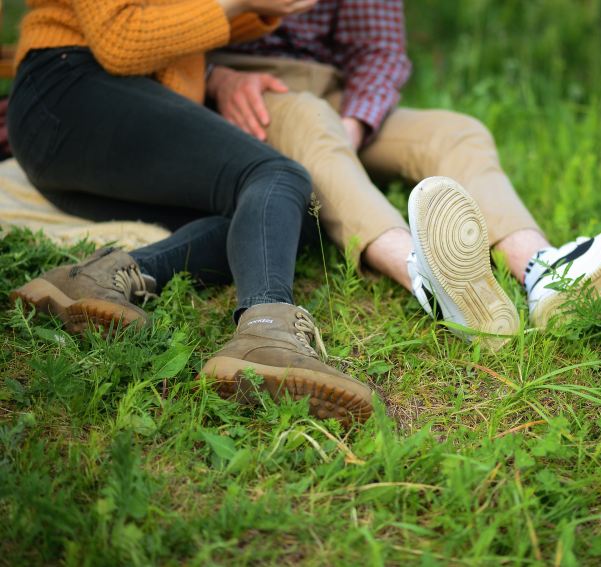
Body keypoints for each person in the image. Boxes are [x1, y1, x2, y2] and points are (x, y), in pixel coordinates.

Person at [205, 0, 601, 350]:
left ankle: (544, 272)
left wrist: (354, 127)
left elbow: (379, 50)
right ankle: (425, 278)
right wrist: (215, 78)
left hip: (334, 94)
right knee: (313, 123)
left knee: (457, 132)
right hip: (246, 91)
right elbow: (146, 30)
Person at [5, 0, 373, 426]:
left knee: (287, 218)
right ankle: (268, 331)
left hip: (108, 131)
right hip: (69, 95)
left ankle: (100, 275)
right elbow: (120, 40)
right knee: (276, 174)